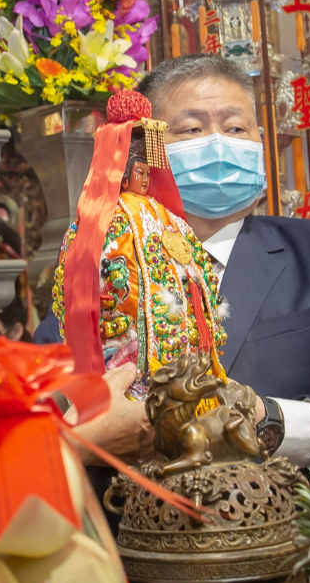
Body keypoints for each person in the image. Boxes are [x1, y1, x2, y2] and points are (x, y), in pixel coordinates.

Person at [36, 54, 310, 475]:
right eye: (192, 128)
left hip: (277, 521)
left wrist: (268, 419)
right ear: (148, 146)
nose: (219, 141)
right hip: (134, 521)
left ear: (260, 140)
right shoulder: (100, 259)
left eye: (236, 127)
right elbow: (43, 397)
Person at [49, 97, 229, 401]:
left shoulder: (168, 218)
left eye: (148, 172)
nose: (144, 179)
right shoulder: (102, 223)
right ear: (124, 172)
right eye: (139, 172)